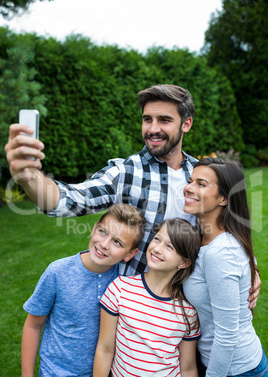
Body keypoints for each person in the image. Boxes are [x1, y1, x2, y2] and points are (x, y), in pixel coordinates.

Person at [5, 84, 261, 297]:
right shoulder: (126, 172)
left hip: (191, 305)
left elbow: (226, 227)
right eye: (147, 119)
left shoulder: (200, 175)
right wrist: (29, 177)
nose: (152, 129)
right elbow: (70, 200)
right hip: (134, 311)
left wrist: (250, 267)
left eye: (164, 120)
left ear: (186, 124)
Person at [21, 203, 146, 377]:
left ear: (130, 254)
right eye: (103, 232)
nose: (104, 244)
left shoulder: (124, 283)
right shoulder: (57, 272)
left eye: (117, 243)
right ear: (94, 227)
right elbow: (32, 326)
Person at [182, 158, 268, 377]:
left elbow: (227, 334)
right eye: (190, 181)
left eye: (201, 184)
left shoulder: (221, 252)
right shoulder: (206, 236)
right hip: (223, 368)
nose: (189, 187)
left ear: (224, 199)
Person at [93, 218, 201, 377]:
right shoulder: (120, 289)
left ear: (183, 263)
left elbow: (188, 366)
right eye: (157, 239)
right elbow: (105, 348)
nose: (157, 249)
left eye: (170, 247)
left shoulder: (187, 312)